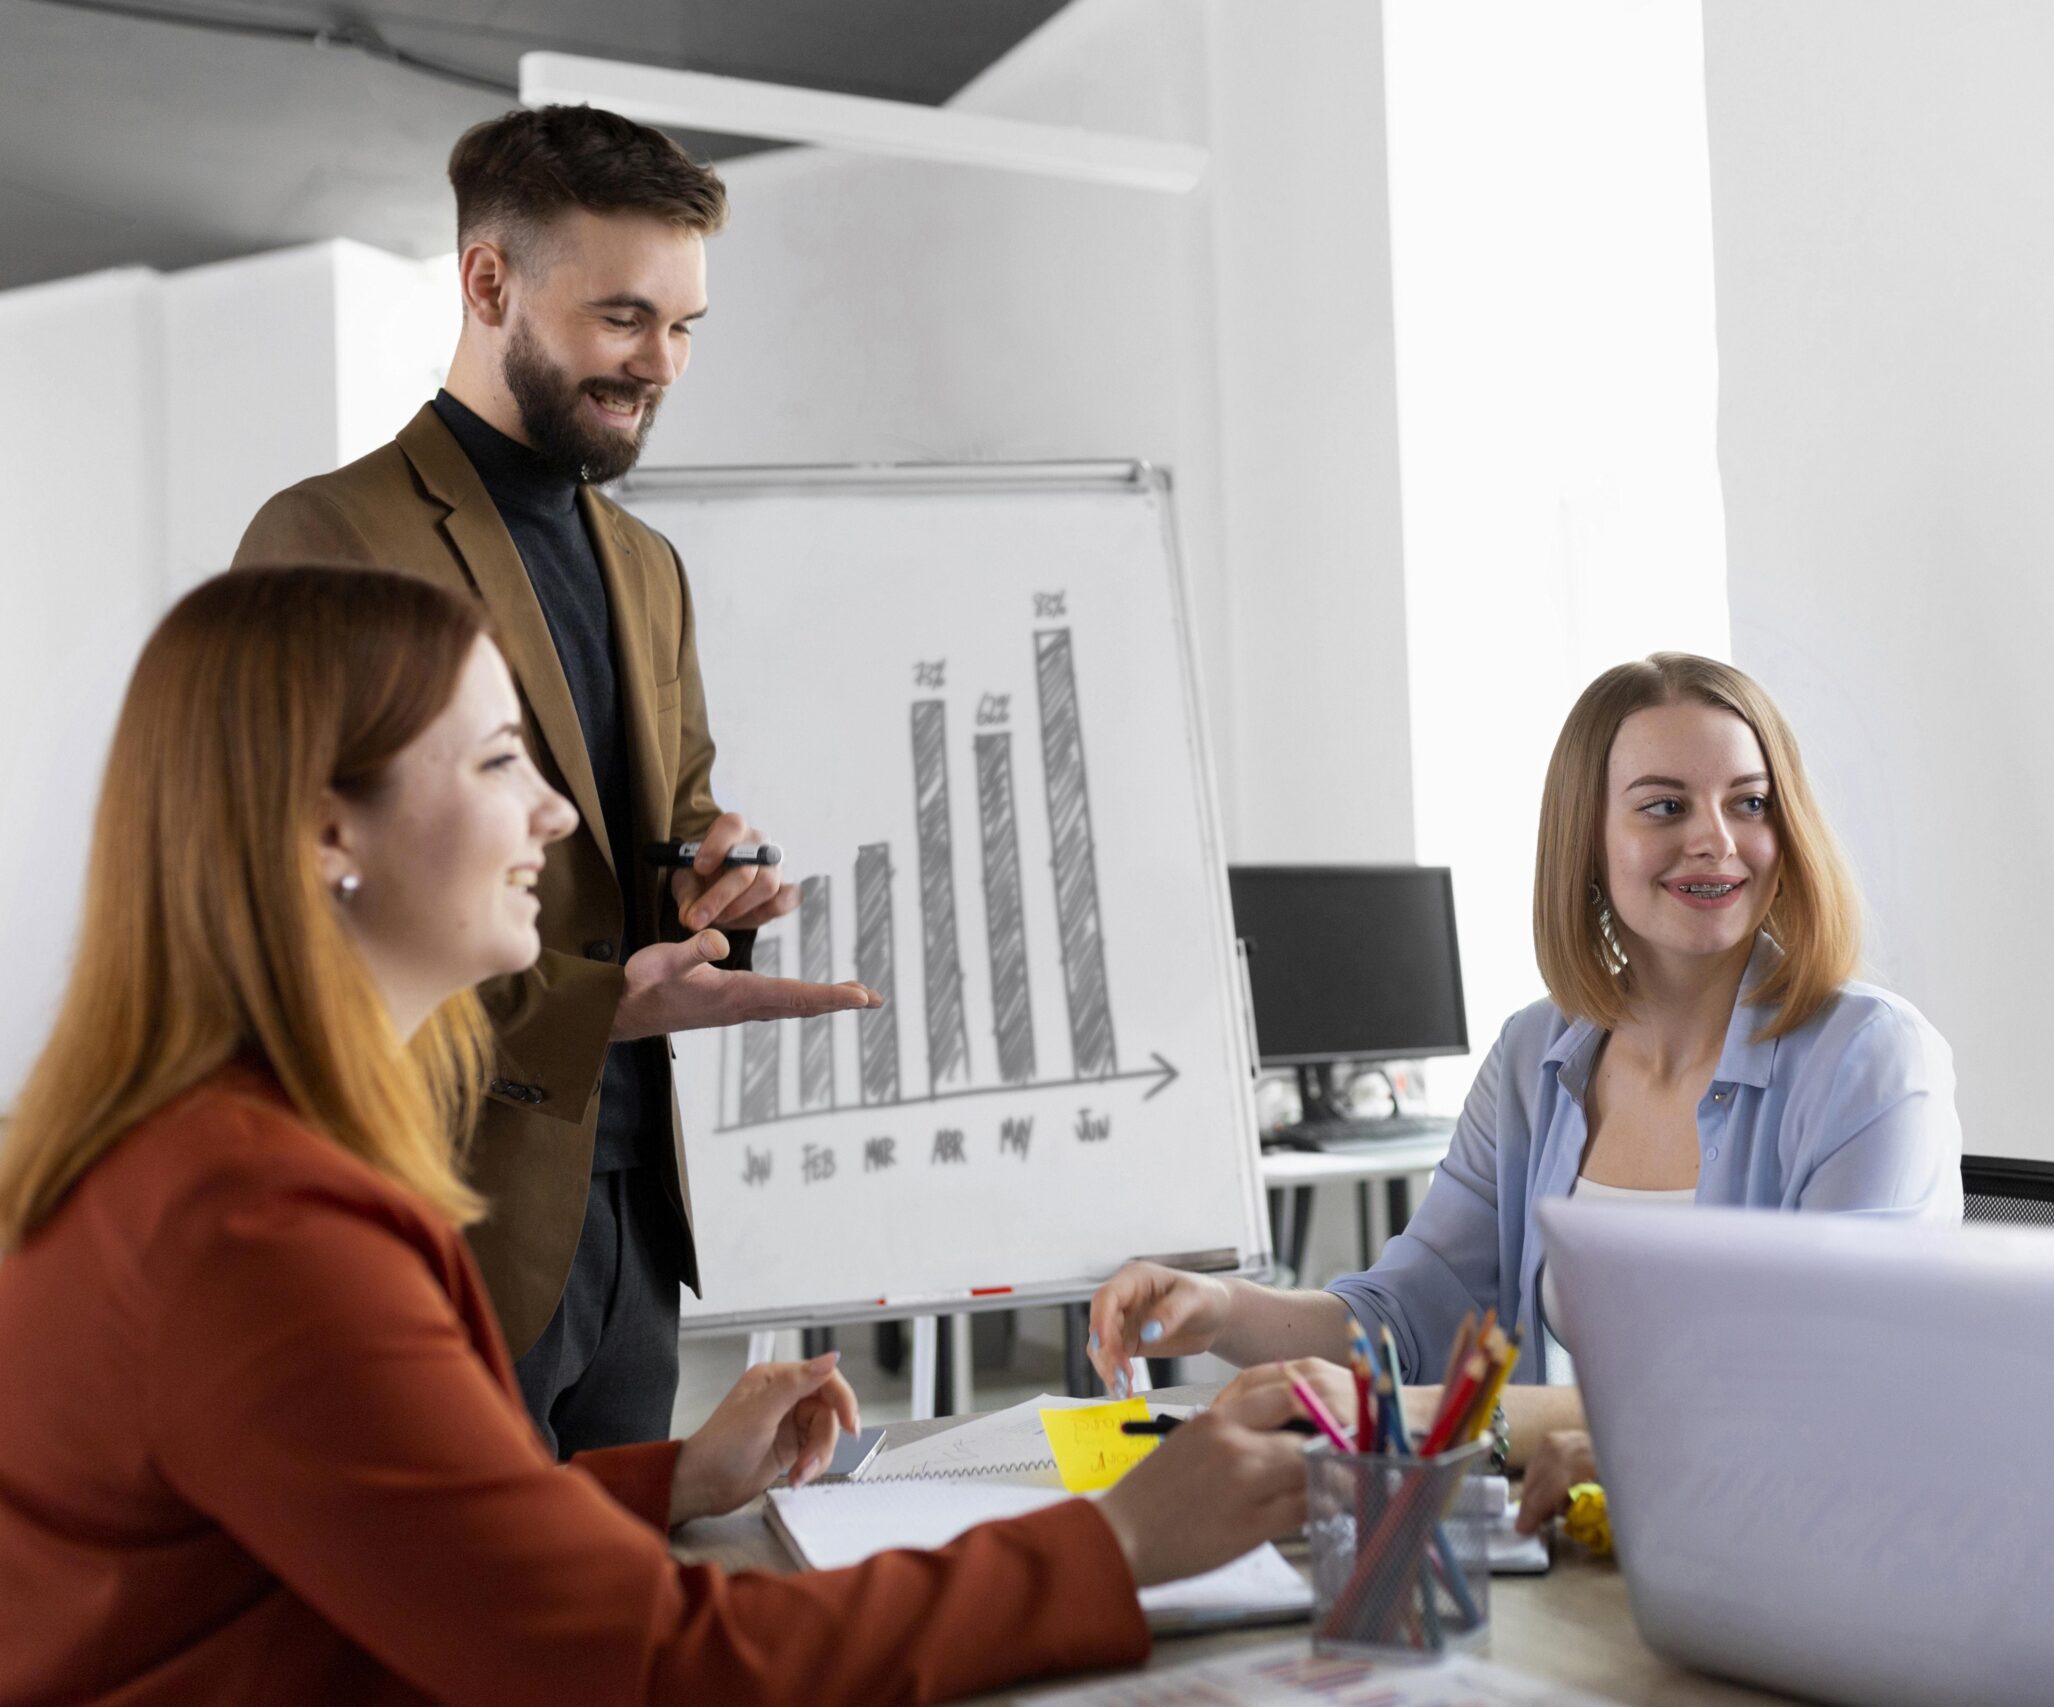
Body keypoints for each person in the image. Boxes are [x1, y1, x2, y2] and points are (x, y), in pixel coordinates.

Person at [0, 568, 1307, 1706]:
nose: (557, 815)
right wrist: (1119, 1543)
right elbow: (644, 1667)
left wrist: (673, 1477)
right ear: (330, 827)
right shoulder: (258, 1220)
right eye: (503, 759)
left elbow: (417, 1550)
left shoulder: (197, 1145)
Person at [232, 106, 863, 1455]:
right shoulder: (328, 534)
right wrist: (596, 1009)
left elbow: (664, 829)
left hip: (636, 1215)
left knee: (620, 1615)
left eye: (686, 326)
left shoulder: (646, 566)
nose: (663, 364)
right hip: (442, 1205)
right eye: (626, 317)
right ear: (486, 282)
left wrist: (708, 882)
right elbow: (301, 918)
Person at [1093, 652, 1963, 1516]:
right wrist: (1222, 1308)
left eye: (1750, 802)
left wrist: (1456, 1417)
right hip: (1581, 1536)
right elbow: (1409, 1312)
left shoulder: (1872, 1060)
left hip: (1802, 1547)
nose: (1716, 839)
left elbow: (1827, 1386)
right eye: (1665, 805)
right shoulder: (1534, 1057)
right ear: (1587, 838)